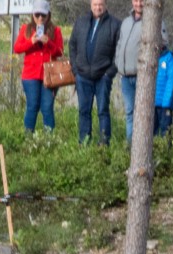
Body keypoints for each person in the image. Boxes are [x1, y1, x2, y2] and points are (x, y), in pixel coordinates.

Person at [69, 0, 120, 145]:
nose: (98, 7)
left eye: (101, 4)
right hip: (83, 76)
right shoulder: (81, 22)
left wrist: (109, 73)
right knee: (84, 111)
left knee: (103, 111)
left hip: (103, 76)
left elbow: (119, 51)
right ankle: (84, 142)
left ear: (105, 5)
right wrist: (75, 70)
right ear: (91, 5)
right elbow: (72, 45)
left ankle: (104, 143)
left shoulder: (115, 24)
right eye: (95, 4)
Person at [13, 0, 62, 133]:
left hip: (49, 75)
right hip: (30, 75)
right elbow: (17, 48)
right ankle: (28, 136)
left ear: (48, 15)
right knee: (32, 106)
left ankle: (48, 139)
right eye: (37, 15)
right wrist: (31, 41)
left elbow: (60, 51)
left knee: (47, 107)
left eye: (43, 15)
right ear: (33, 15)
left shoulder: (55, 30)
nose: (40, 18)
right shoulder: (26, 29)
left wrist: (48, 43)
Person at [115, 0, 145, 142]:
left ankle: (142, 145)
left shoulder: (152, 22)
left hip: (141, 76)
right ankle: (129, 146)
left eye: (142, 1)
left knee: (142, 114)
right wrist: (117, 62)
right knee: (129, 112)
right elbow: (120, 43)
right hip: (125, 77)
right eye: (136, 0)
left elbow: (163, 42)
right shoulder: (126, 22)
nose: (139, 4)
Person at [153, 40, 173, 137]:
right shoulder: (151, 57)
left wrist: (166, 102)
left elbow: (171, 80)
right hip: (153, 103)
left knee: (165, 130)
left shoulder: (169, 58)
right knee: (153, 130)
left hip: (165, 103)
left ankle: (167, 147)